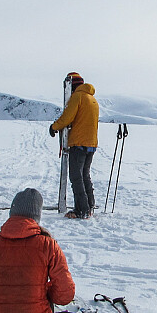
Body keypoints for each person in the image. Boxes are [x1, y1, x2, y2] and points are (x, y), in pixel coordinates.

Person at [49, 72, 99, 219]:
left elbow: (67, 117)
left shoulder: (77, 97)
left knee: (76, 177)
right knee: (85, 175)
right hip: (91, 144)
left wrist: (54, 127)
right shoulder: (92, 99)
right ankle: (89, 206)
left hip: (79, 143)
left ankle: (82, 210)